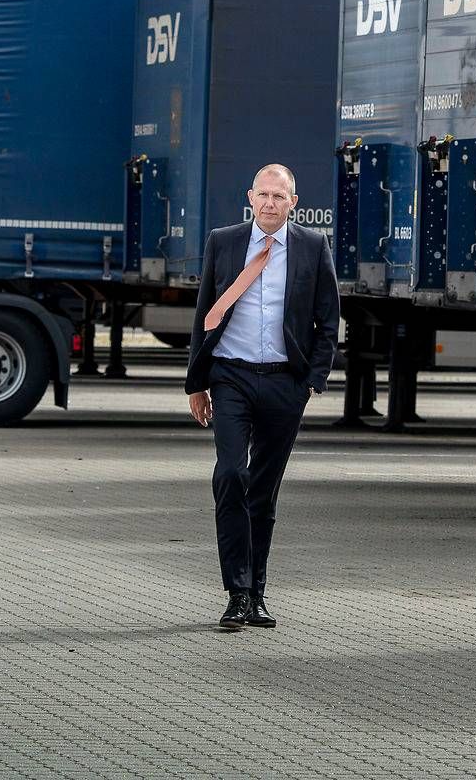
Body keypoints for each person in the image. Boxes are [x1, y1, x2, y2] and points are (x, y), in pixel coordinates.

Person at [185, 163, 340, 631]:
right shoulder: (224, 241)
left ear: (294, 203)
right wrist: (197, 382)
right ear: (250, 197)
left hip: (283, 384)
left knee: (263, 492)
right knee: (231, 475)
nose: (271, 203)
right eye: (264, 195)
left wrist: (312, 380)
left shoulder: (312, 247)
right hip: (230, 376)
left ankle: (256, 593)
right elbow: (205, 313)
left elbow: (328, 320)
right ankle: (235, 593)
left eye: (280, 197)